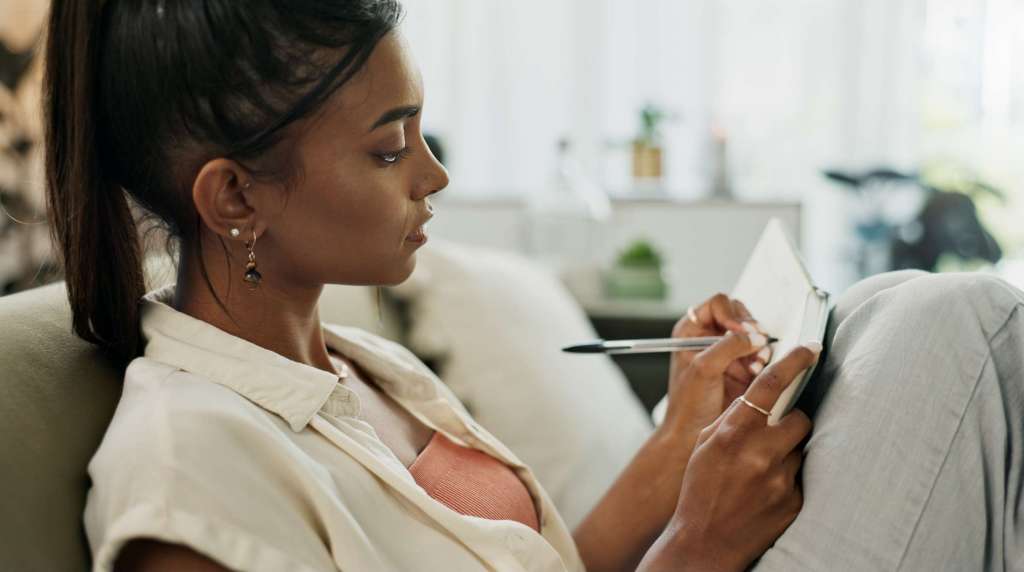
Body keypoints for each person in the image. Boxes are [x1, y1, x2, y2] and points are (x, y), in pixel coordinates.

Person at [42, 2, 1022, 571]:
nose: (433, 175)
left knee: (886, 313)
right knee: (966, 326)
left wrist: (679, 439)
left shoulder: (359, 366)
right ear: (233, 196)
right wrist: (692, 544)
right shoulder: (189, 471)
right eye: (388, 150)